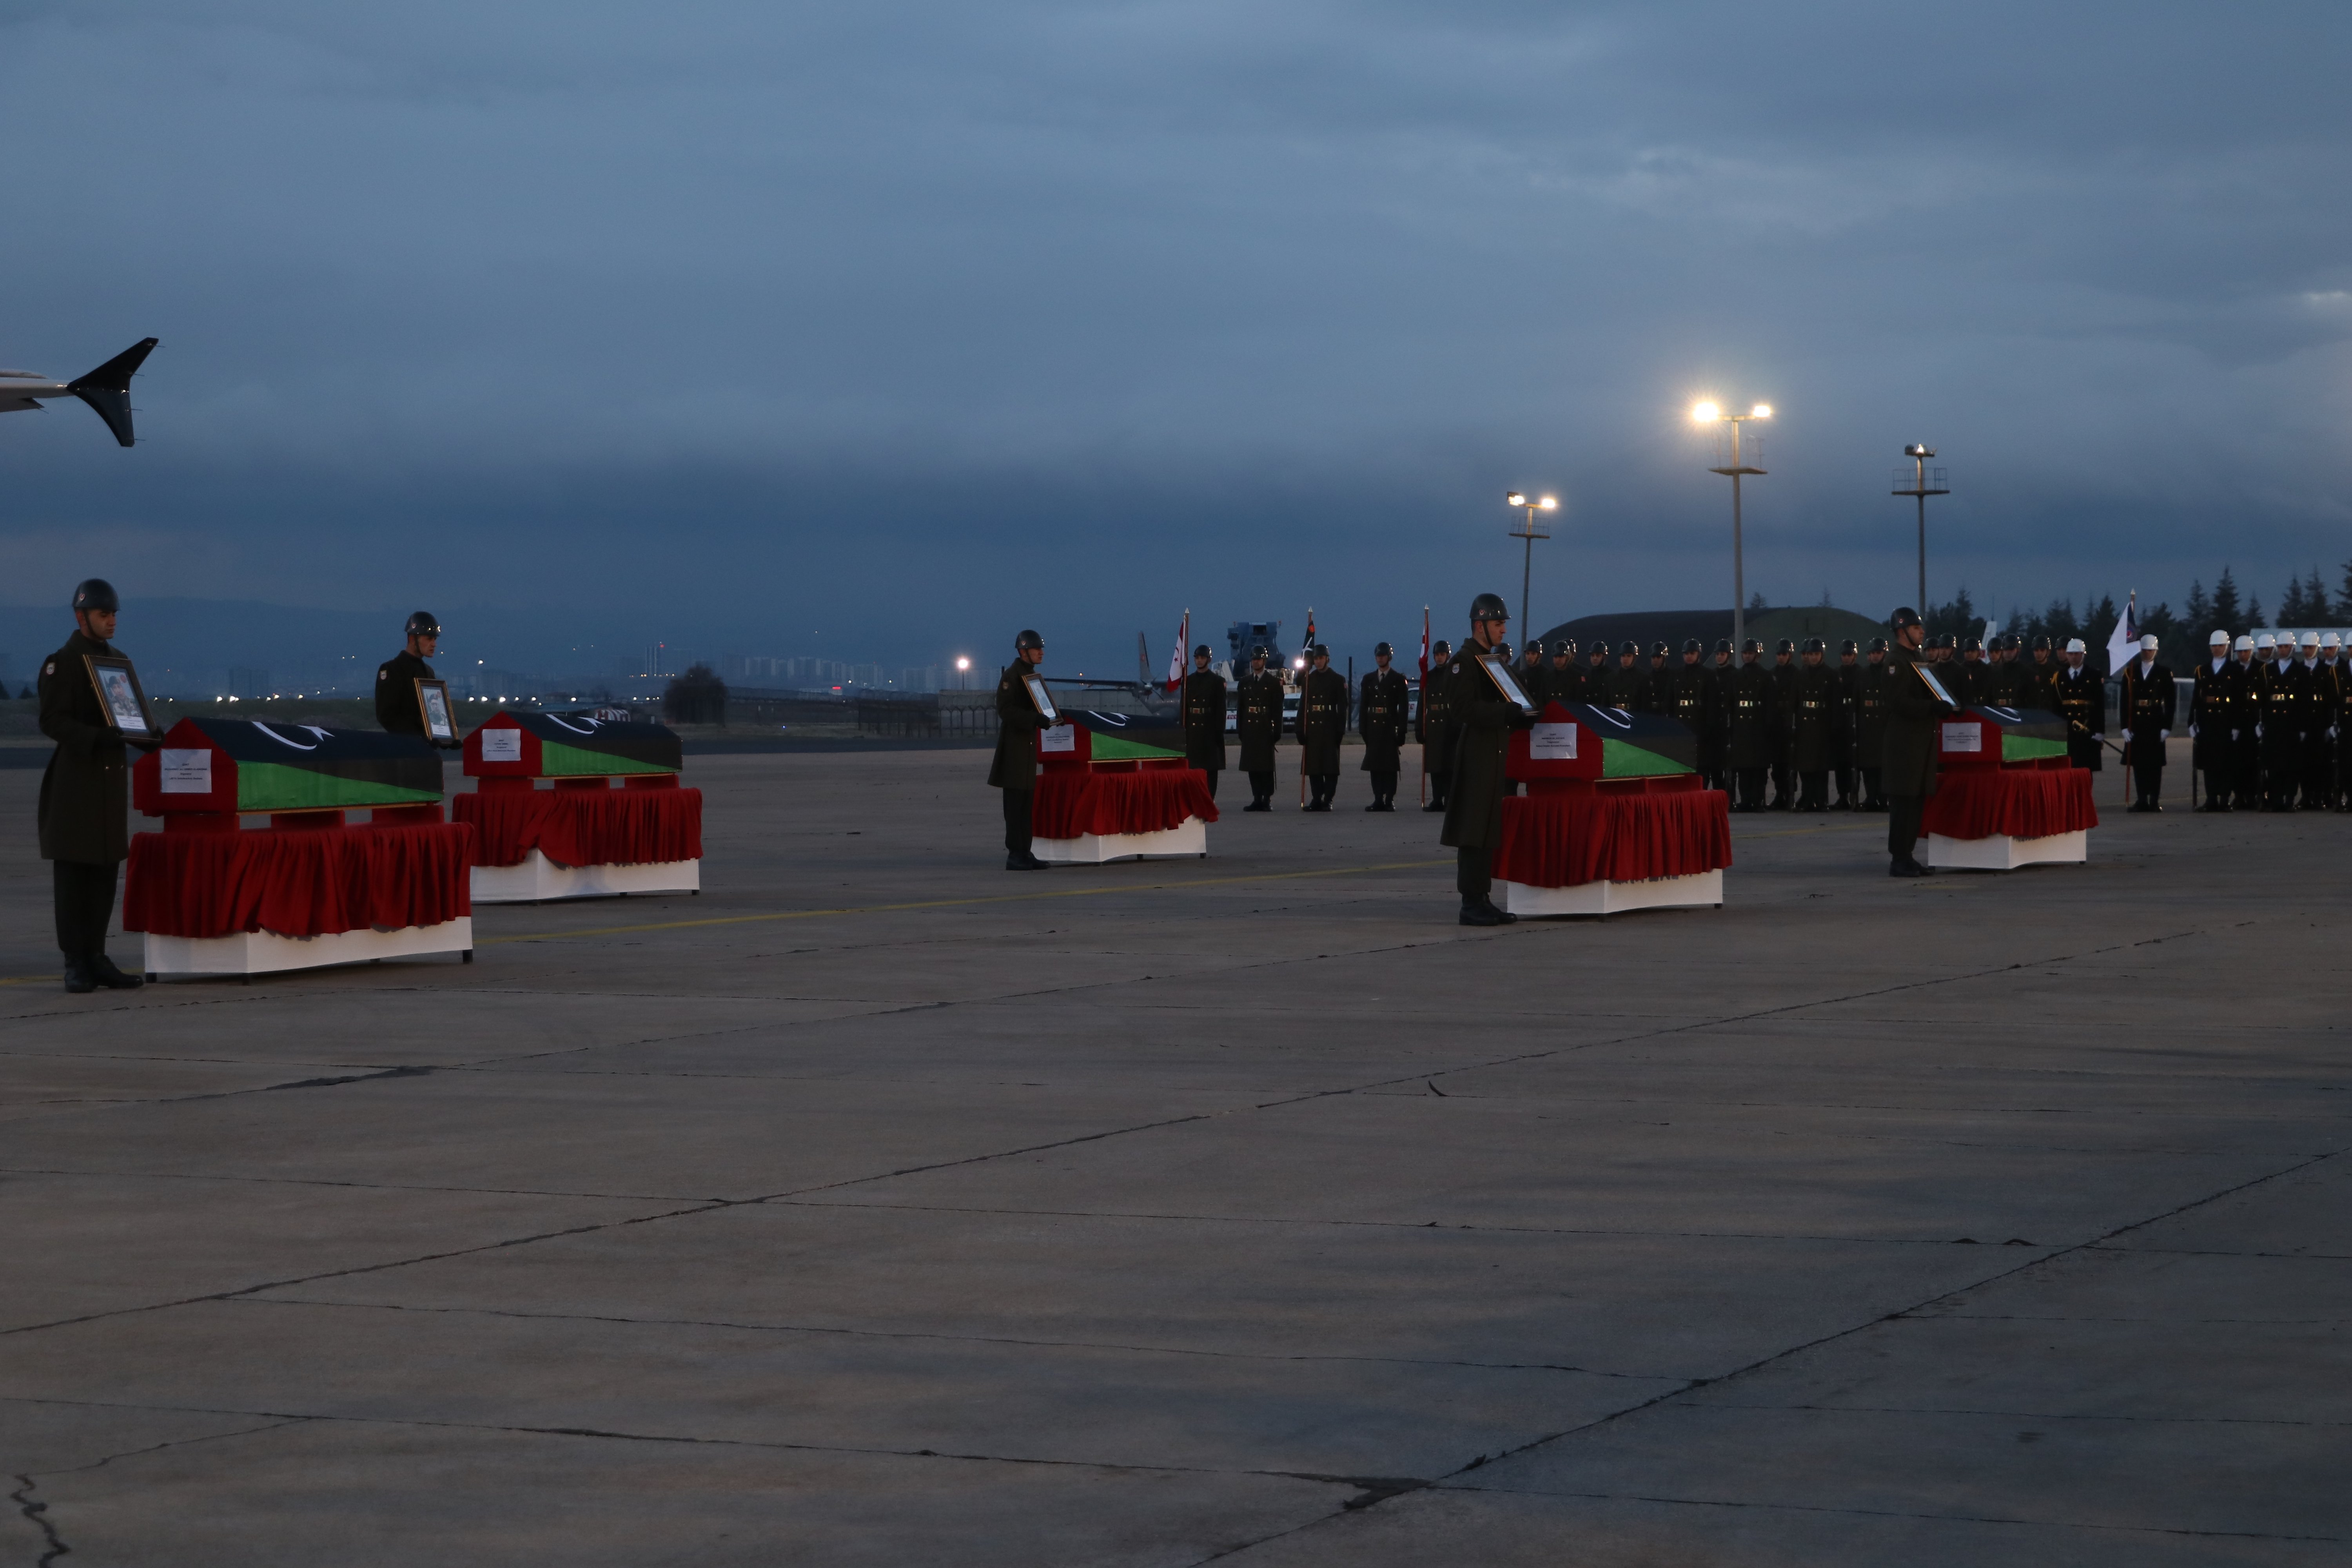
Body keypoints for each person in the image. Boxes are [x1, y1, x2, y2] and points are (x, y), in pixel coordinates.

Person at [39, 578, 153, 991]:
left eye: (114, 615)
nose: (112, 621)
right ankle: (75, 960)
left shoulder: (117, 662)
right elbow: (52, 720)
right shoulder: (64, 663)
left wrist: (151, 737)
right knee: (74, 875)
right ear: (81, 617)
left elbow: (131, 715)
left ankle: (97, 956)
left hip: (108, 784)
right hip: (76, 783)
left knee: (105, 872)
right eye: (104, 615)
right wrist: (96, 737)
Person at [1440, 593, 1534, 926]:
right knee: (1473, 830)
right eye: (1498, 624)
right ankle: (1470, 902)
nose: (1504, 630)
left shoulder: (1489, 661)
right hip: (1477, 755)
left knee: (1488, 830)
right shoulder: (1464, 662)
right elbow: (1462, 709)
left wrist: (1522, 714)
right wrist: (1504, 712)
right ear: (1480, 626)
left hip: (1493, 753)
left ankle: (1482, 897)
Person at [1882, 607, 1954, 877]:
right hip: (1905, 745)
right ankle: (1898, 858)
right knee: (1903, 802)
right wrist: (1931, 708)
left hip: (1920, 742)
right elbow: (1897, 702)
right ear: (1902, 631)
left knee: (1915, 801)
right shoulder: (1896, 661)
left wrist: (1946, 704)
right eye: (1915, 628)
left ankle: (1908, 856)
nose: (1922, 632)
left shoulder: (1916, 658)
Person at [988, 629, 1063, 868]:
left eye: (1041, 648)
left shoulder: (1030, 675)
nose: (1042, 652)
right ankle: (1015, 854)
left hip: (1027, 748)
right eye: (1036, 649)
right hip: (1014, 750)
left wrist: (1048, 716)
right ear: (1023, 651)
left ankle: (1025, 852)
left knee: (1026, 804)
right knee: (1015, 805)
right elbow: (1006, 710)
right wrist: (1034, 719)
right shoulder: (1012, 676)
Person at [2119, 633, 2177, 811]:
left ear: (2156, 651)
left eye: (2151, 650)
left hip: (2155, 722)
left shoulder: (2164, 673)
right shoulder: (2130, 672)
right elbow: (2124, 701)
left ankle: (2154, 799)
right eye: (2144, 650)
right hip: (2137, 723)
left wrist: (2167, 726)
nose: (2147, 653)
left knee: (2155, 764)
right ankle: (2142, 799)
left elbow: (2171, 702)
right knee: (2139, 764)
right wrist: (2124, 726)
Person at [376, 610, 449, 741]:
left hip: (426, 747)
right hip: (405, 746)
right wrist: (418, 737)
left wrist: (445, 737)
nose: (434, 644)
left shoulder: (429, 672)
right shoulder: (392, 670)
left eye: (435, 639)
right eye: (429, 639)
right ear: (412, 639)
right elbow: (387, 716)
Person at [2190, 630, 2240, 811]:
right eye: (2214, 646)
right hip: (2207, 721)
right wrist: (2192, 722)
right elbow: (2197, 698)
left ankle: (2224, 799)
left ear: (2227, 648)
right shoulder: (2202, 671)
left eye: (2220, 645)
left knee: (2225, 762)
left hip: (2226, 721)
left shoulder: (2235, 670)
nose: (2217, 649)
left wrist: (2237, 725)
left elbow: (2239, 700)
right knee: (2209, 762)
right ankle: (2211, 798)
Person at [1358, 642, 1411, 811]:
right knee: (1375, 766)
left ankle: (1389, 799)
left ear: (1389, 657)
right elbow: (1363, 706)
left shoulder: (1398, 679)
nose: (1380, 659)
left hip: (1390, 728)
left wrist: (1402, 730)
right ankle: (1378, 798)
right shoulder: (1369, 679)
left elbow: (1403, 707)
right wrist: (1362, 728)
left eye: (1383, 656)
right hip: (1373, 727)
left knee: (1390, 766)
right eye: (1378, 656)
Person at [1295, 644, 1347, 810]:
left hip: (1330, 726)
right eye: (1316, 659)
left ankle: (1328, 799)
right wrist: (1300, 729)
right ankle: (1316, 798)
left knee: (1330, 767)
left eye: (1321, 658)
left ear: (1327, 659)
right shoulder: (1309, 679)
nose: (1318, 662)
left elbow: (1343, 707)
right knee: (1314, 767)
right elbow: (1303, 705)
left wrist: (1340, 729)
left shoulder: (1337, 679)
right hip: (1313, 727)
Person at [1790, 637, 1839, 811]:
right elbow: (1795, 701)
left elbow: (1835, 703)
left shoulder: (1831, 675)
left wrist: (1834, 725)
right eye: (1811, 654)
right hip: (1804, 726)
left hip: (1822, 724)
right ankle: (1807, 797)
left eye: (1816, 654)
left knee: (1821, 766)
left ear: (1822, 655)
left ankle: (1821, 799)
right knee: (1805, 766)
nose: (1813, 657)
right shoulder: (1801, 675)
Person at [2257, 633, 2303, 811]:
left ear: (2293, 648)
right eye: (2281, 647)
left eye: (2287, 647)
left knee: (2291, 766)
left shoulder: (2300, 671)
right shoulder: (2268, 670)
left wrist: (2303, 727)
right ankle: (2276, 799)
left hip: (2292, 724)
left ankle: (2289, 800)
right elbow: (2261, 699)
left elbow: (2304, 701)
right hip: (2273, 724)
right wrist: (2260, 722)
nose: (2283, 650)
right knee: (2274, 764)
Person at [1236, 645, 1285, 811]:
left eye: (1259, 659)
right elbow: (1241, 708)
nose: (1256, 662)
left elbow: (1278, 709)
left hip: (1265, 728)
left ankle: (1266, 799)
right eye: (1254, 659)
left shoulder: (1273, 683)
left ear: (1264, 661)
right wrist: (1240, 729)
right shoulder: (1245, 682)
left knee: (1266, 767)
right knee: (1253, 767)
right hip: (1250, 729)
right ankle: (1256, 798)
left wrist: (1277, 731)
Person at [1728, 640, 1774, 812]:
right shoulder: (1736, 676)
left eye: (1751, 653)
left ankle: (1758, 800)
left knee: (1758, 768)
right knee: (1743, 768)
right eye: (1745, 653)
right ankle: (1746, 800)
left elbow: (1770, 704)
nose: (1747, 656)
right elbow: (1731, 703)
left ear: (1757, 655)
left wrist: (1768, 726)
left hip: (1758, 725)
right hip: (1741, 727)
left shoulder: (1766, 676)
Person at [1180, 644, 1227, 801]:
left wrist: (1219, 731)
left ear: (1209, 660)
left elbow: (1221, 709)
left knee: (1211, 768)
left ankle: (1209, 799)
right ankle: (1196, 799)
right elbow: (1184, 707)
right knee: (1194, 767)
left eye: (1203, 658)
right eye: (1197, 658)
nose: (1199, 661)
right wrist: (1183, 728)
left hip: (1210, 728)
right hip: (1193, 730)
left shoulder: (1217, 681)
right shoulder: (1188, 681)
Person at [2053, 639, 2105, 771]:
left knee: (2086, 770)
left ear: (2083, 655)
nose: (2074, 657)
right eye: (2071, 654)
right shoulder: (2059, 677)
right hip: (2067, 730)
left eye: (2077, 654)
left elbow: (2099, 705)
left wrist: (2100, 731)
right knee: (2067, 770)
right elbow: (2056, 706)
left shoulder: (2094, 675)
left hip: (2087, 729)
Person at [1854, 637, 1891, 810]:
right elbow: (1857, 700)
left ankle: (1884, 799)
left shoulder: (1890, 674)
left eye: (1879, 652)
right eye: (1873, 653)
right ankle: (1871, 798)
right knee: (1868, 766)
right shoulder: (1863, 674)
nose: (1876, 656)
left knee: (1884, 766)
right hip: (1867, 727)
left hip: (1884, 726)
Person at [2229, 635, 2262, 808]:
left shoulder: (2261, 668)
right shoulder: (2232, 669)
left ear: (2251, 651)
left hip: (2255, 721)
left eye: (2246, 651)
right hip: (2238, 722)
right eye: (2240, 652)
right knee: (2237, 763)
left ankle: (2253, 795)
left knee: (2254, 762)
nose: (2242, 655)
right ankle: (2239, 795)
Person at [1703, 639, 1737, 793]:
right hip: (1714, 725)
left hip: (1728, 725)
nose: (1719, 657)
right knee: (1713, 766)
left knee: (1727, 768)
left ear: (1728, 656)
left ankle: (1726, 795)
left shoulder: (1735, 675)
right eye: (1717, 654)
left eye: (1722, 654)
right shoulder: (1712, 674)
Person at [1768, 639, 1799, 809]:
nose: (1781, 657)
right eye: (1779, 654)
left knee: (1790, 763)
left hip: (1790, 721)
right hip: (1776, 723)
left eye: (1784, 654)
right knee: (1777, 764)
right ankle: (1780, 794)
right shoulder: (1772, 674)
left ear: (1790, 655)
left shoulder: (1796, 674)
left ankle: (1790, 794)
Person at [1831, 638, 1861, 809]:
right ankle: (1842, 796)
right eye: (1844, 655)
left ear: (1855, 656)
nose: (1847, 658)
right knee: (1840, 763)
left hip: (1854, 722)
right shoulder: (1836, 674)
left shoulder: (1860, 673)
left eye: (1849, 655)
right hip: (1840, 723)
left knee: (1854, 763)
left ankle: (1854, 795)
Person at [1546, 639, 1583, 706]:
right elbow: (1542, 701)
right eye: (1556, 657)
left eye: (1561, 657)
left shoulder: (1576, 677)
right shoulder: (1548, 676)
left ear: (1567, 658)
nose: (1558, 660)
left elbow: (1579, 702)